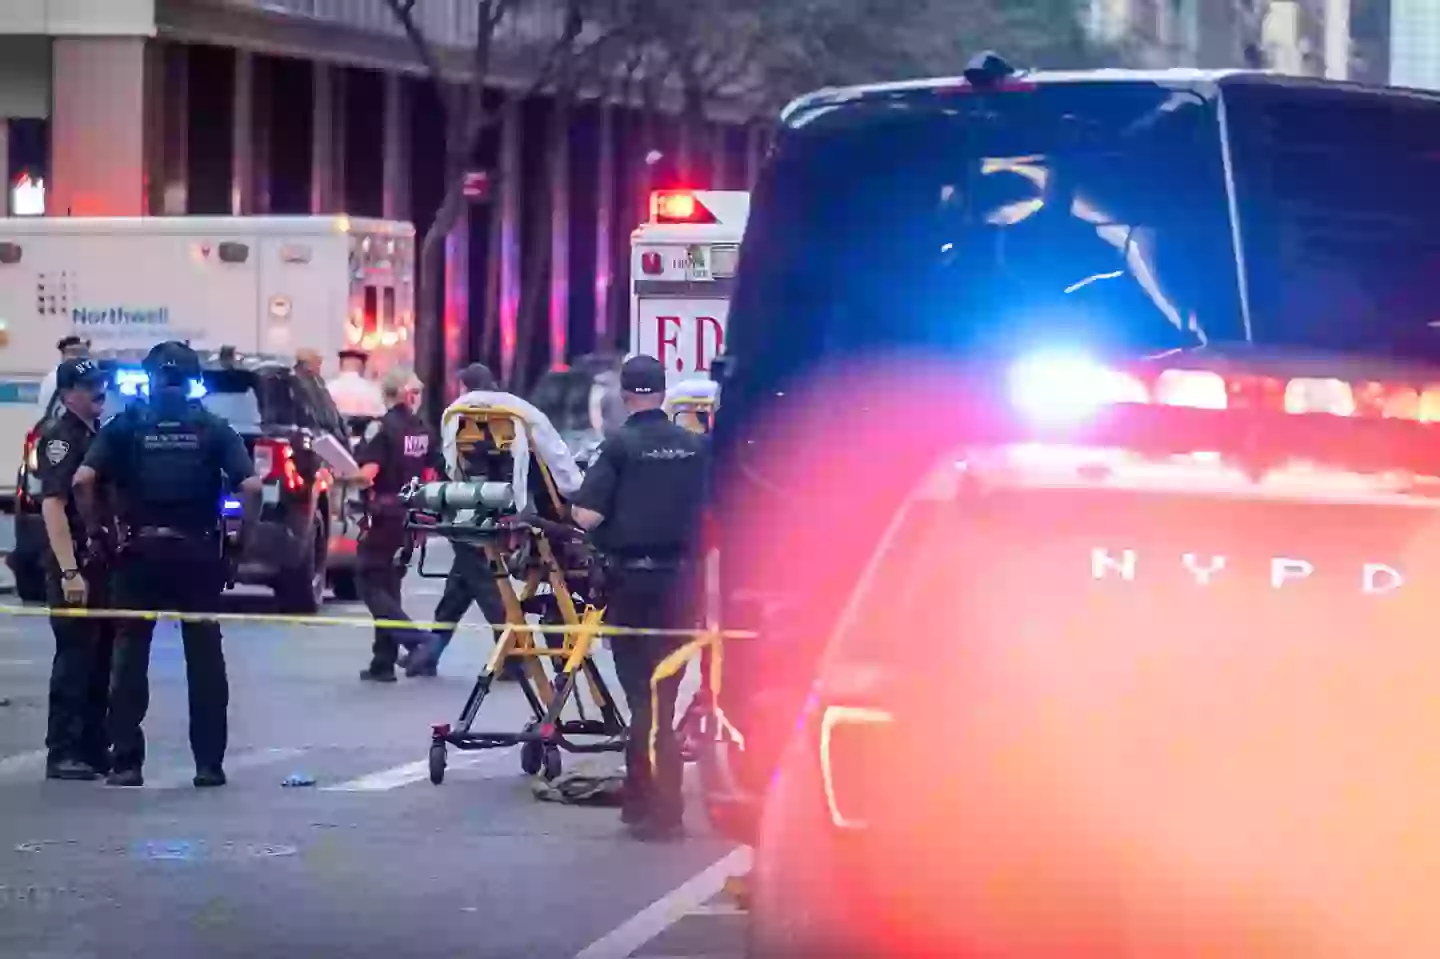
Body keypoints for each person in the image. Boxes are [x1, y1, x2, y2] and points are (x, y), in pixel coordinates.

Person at [74, 341, 261, 788]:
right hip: (196, 556)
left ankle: (127, 763)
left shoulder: (126, 425)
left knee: (129, 657)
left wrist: (99, 531)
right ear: (193, 379)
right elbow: (251, 488)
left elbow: (82, 480)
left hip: (137, 555)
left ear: (149, 377)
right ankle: (208, 765)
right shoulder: (212, 426)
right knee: (204, 661)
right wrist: (237, 543)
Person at [571, 355, 708, 841]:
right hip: (681, 587)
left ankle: (651, 806)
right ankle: (651, 801)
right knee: (664, 697)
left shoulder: (619, 446)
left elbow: (586, 517)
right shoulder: (695, 447)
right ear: (663, 393)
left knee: (641, 700)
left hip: (631, 584)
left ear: (627, 395)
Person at [403, 363, 533, 679]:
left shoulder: (465, 419)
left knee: (487, 590)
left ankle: (514, 659)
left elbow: (450, 462)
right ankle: (428, 655)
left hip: (471, 509)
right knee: (458, 590)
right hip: (495, 507)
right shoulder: (508, 416)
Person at [36, 357, 114, 781]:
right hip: (73, 565)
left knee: (99, 657)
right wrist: (68, 570)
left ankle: (91, 746)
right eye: (89, 386)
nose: (99, 390)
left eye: (101, 382)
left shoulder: (94, 432)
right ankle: (63, 750)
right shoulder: (60, 438)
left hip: (96, 563)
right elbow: (53, 505)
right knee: (74, 658)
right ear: (67, 395)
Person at [356, 367, 442, 683]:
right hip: (410, 515)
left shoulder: (382, 429)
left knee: (368, 583)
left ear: (389, 394)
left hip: (383, 516)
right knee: (390, 586)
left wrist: (339, 475)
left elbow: (368, 474)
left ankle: (418, 641)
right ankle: (383, 662)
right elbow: (431, 476)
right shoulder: (424, 430)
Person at [35, 336, 90, 423]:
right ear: (64, 355)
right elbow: (44, 411)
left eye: (83, 353)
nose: (79, 357)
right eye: (74, 353)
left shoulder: (89, 375)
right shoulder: (55, 377)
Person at [328, 347, 386, 420]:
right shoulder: (372, 390)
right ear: (362, 367)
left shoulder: (329, 389)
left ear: (340, 366)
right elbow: (381, 415)